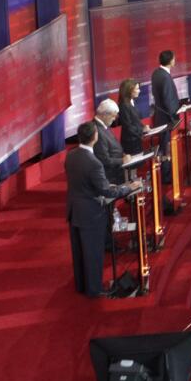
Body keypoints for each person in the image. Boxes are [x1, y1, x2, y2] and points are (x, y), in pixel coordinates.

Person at [67, 122, 142, 297]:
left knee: (79, 252)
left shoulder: (71, 156)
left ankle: (81, 285)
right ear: (95, 137)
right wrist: (128, 187)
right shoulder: (94, 163)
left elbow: (82, 183)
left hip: (74, 210)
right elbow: (106, 190)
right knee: (93, 253)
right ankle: (94, 290)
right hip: (91, 213)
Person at [92, 99, 126, 184]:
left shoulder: (103, 125)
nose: (114, 119)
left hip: (115, 174)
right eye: (113, 116)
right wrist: (122, 160)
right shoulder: (97, 131)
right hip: (110, 178)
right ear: (104, 114)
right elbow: (104, 159)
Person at [116, 78, 145, 155]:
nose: (139, 91)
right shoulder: (124, 106)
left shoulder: (131, 102)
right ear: (129, 90)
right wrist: (142, 130)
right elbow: (128, 127)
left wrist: (144, 127)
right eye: (137, 89)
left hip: (136, 140)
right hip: (130, 143)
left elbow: (136, 121)